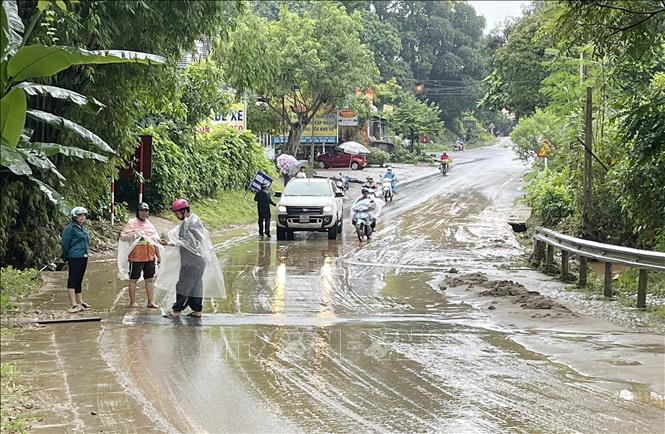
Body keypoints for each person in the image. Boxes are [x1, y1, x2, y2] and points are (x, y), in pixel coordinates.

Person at [166, 199, 208, 318]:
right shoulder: (193, 220)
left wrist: (172, 243)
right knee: (195, 286)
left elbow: (189, 243)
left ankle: (177, 310)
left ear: (184, 211)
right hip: (197, 260)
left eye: (177, 213)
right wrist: (172, 243)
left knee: (183, 285)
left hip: (192, 261)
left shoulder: (190, 223)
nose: (176, 216)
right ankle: (197, 310)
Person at [118, 202, 161, 308]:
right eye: (141, 211)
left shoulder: (150, 225)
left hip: (150, 256)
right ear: (138, 212)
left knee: (149, 279)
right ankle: (132, 302)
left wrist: (158, 255)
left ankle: (150, 301)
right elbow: (123, 236)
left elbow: (154, 241)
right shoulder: (132, 223)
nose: (144, 213)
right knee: (133, 279)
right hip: (136, 257)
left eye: (146, 211)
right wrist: (135, 233)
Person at [61, 207, 91, 313]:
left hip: (83, 256)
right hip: (74, 256)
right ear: (74, 217)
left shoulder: (83, 228)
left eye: (84, 215)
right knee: (73, 279)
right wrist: (65, 256)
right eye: (80, 216)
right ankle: (73, 304)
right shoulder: (70, 229)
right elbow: (65, 243)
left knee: (79, 279)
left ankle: (80, 301)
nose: (82, 217)